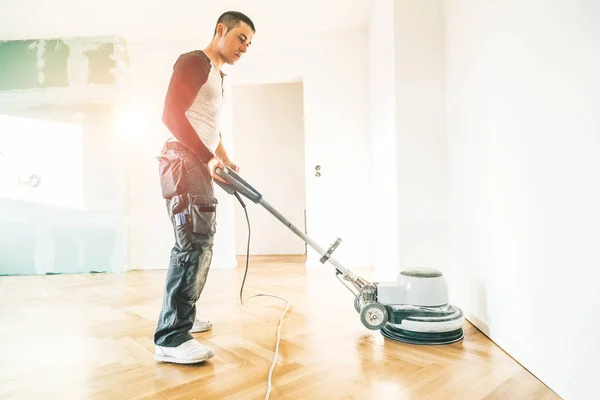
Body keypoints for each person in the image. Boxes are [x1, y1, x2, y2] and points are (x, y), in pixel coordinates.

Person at [153, 11, 255, 364]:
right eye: (241, 38)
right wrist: (205, 156)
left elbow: (209, 123)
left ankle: (185, 318)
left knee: (199, 242)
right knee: (192, 244)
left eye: (249, 44)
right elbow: (171, 114)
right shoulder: (194, 62)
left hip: (196, 161)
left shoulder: (217, 76)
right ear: (220, 30)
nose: (245, 47)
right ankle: (171, 338)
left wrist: (221, 155)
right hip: (183, 160)